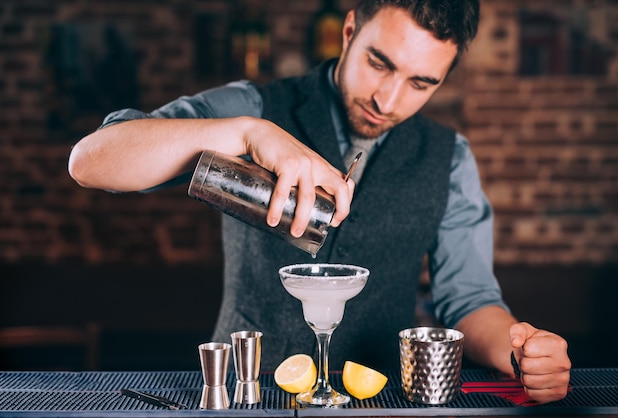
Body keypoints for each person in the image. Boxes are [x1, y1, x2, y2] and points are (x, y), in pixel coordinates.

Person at [68, 0, 571, 404]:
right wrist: (247, 133)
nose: (388, 100)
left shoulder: (450, 159)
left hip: (378, 399)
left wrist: (522, 350)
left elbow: (469, 301)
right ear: (350, 30)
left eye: (421, 83)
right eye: (380, 63)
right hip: (249, 394)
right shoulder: (254, 107)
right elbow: (91, 160)